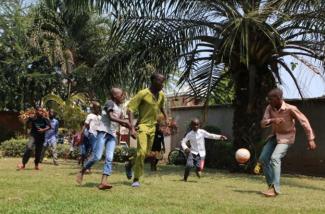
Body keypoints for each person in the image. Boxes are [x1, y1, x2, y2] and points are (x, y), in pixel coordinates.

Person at [259, 88, 316, 197]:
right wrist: (272, 120)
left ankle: (275, 189)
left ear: (278, 98)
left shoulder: (290, 109)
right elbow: (262, 123)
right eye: (268, 99)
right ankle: (271, 187)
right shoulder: (269, 108)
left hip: (287, 137)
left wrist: (310, 139)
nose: (269, 101)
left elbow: (304, 122)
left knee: (275, 158)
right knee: (263, 158)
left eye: (271, 99)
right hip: (275, 136)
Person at [76, 88, 131, 190]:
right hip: (103, 132)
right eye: (121, 95)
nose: (123, 97)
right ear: (115, 96)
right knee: (97, 156)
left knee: (109, 157)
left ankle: (103, 182)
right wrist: (127, 123)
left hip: (112, 136)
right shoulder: (109, 103)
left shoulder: (120, 109)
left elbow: (122, 122)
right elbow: (110, 117)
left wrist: (132, 127)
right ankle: (82, 171)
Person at [127, 72, 168, 187]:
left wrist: (166, 117)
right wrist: (132, 128)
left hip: (153, 127)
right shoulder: (143, 93)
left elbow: (161, 106)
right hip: (143, 126)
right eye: (160, 81)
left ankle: (129, 163)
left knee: (145, 154)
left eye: (163, 82)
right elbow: (130, 109)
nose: (162, 85)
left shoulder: (161, 95)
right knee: (141, 152)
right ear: (153, 81)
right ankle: (136, 179)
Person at [79, 101, 101, 167]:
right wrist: (80, 134)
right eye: (97, 108)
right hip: (91, 134)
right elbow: (85, 125)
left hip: (97, 135)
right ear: (94, 109)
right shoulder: (90, 116)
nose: (98, 109)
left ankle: (86, 165)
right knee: (91, 151)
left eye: (99, 108)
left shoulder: (100, 117)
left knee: (89, 151)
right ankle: (86, 166)